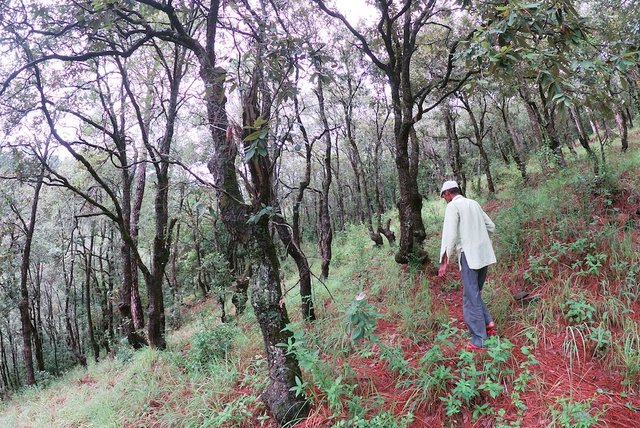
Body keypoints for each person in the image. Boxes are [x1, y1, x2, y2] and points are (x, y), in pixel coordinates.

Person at [438, 180, 497, 350]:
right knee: (474, 293)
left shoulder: (453, 207)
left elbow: (449, 236)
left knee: (470, 297)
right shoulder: (474, 203)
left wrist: (444, 263)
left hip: (469, 256)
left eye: (444, 196)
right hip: (484, 255)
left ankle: (479, 339)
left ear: (448, 193)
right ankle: (488, 323)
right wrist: (480, 240)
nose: (445, 200)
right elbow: (490, 226)